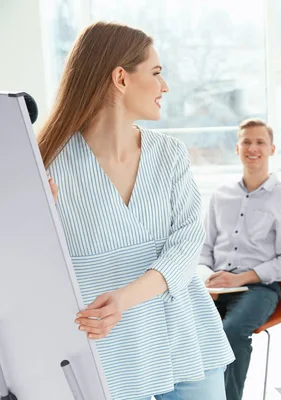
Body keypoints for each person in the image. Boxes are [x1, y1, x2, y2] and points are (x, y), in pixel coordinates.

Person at [38, 22, 234, 400]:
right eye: (156, 73)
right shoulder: (47, 166)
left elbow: (186, 245)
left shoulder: (169, 153)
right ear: (120, 78)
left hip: (187, 342)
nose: (165, 86)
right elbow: (31, 269)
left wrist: (124, 299)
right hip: (112, 356)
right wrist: (34, 219)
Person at [199, 118, 281, 400]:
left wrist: (241, 278)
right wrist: (206, 280)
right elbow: (205, 247)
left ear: (272, 149)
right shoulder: (220, 195)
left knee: (231, 331)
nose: (252, 148)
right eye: (246, 142)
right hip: (216, 286)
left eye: (260, 142)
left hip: (259, 288)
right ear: (237, 148)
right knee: (188, 326)